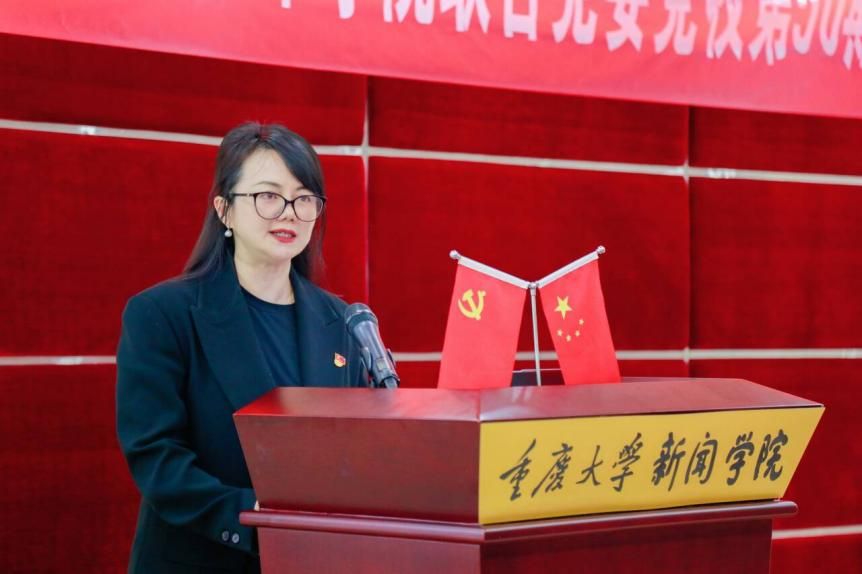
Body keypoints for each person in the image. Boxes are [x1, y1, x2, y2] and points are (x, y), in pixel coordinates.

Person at [116, 122, 367, 574]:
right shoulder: (163, 314)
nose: (289, 213)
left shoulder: (343, 322)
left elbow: (359, 448)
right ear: (225, 210)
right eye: (268, 195)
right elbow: (158, 458)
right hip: (204, 559)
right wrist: (258, 520)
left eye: (304, 198)